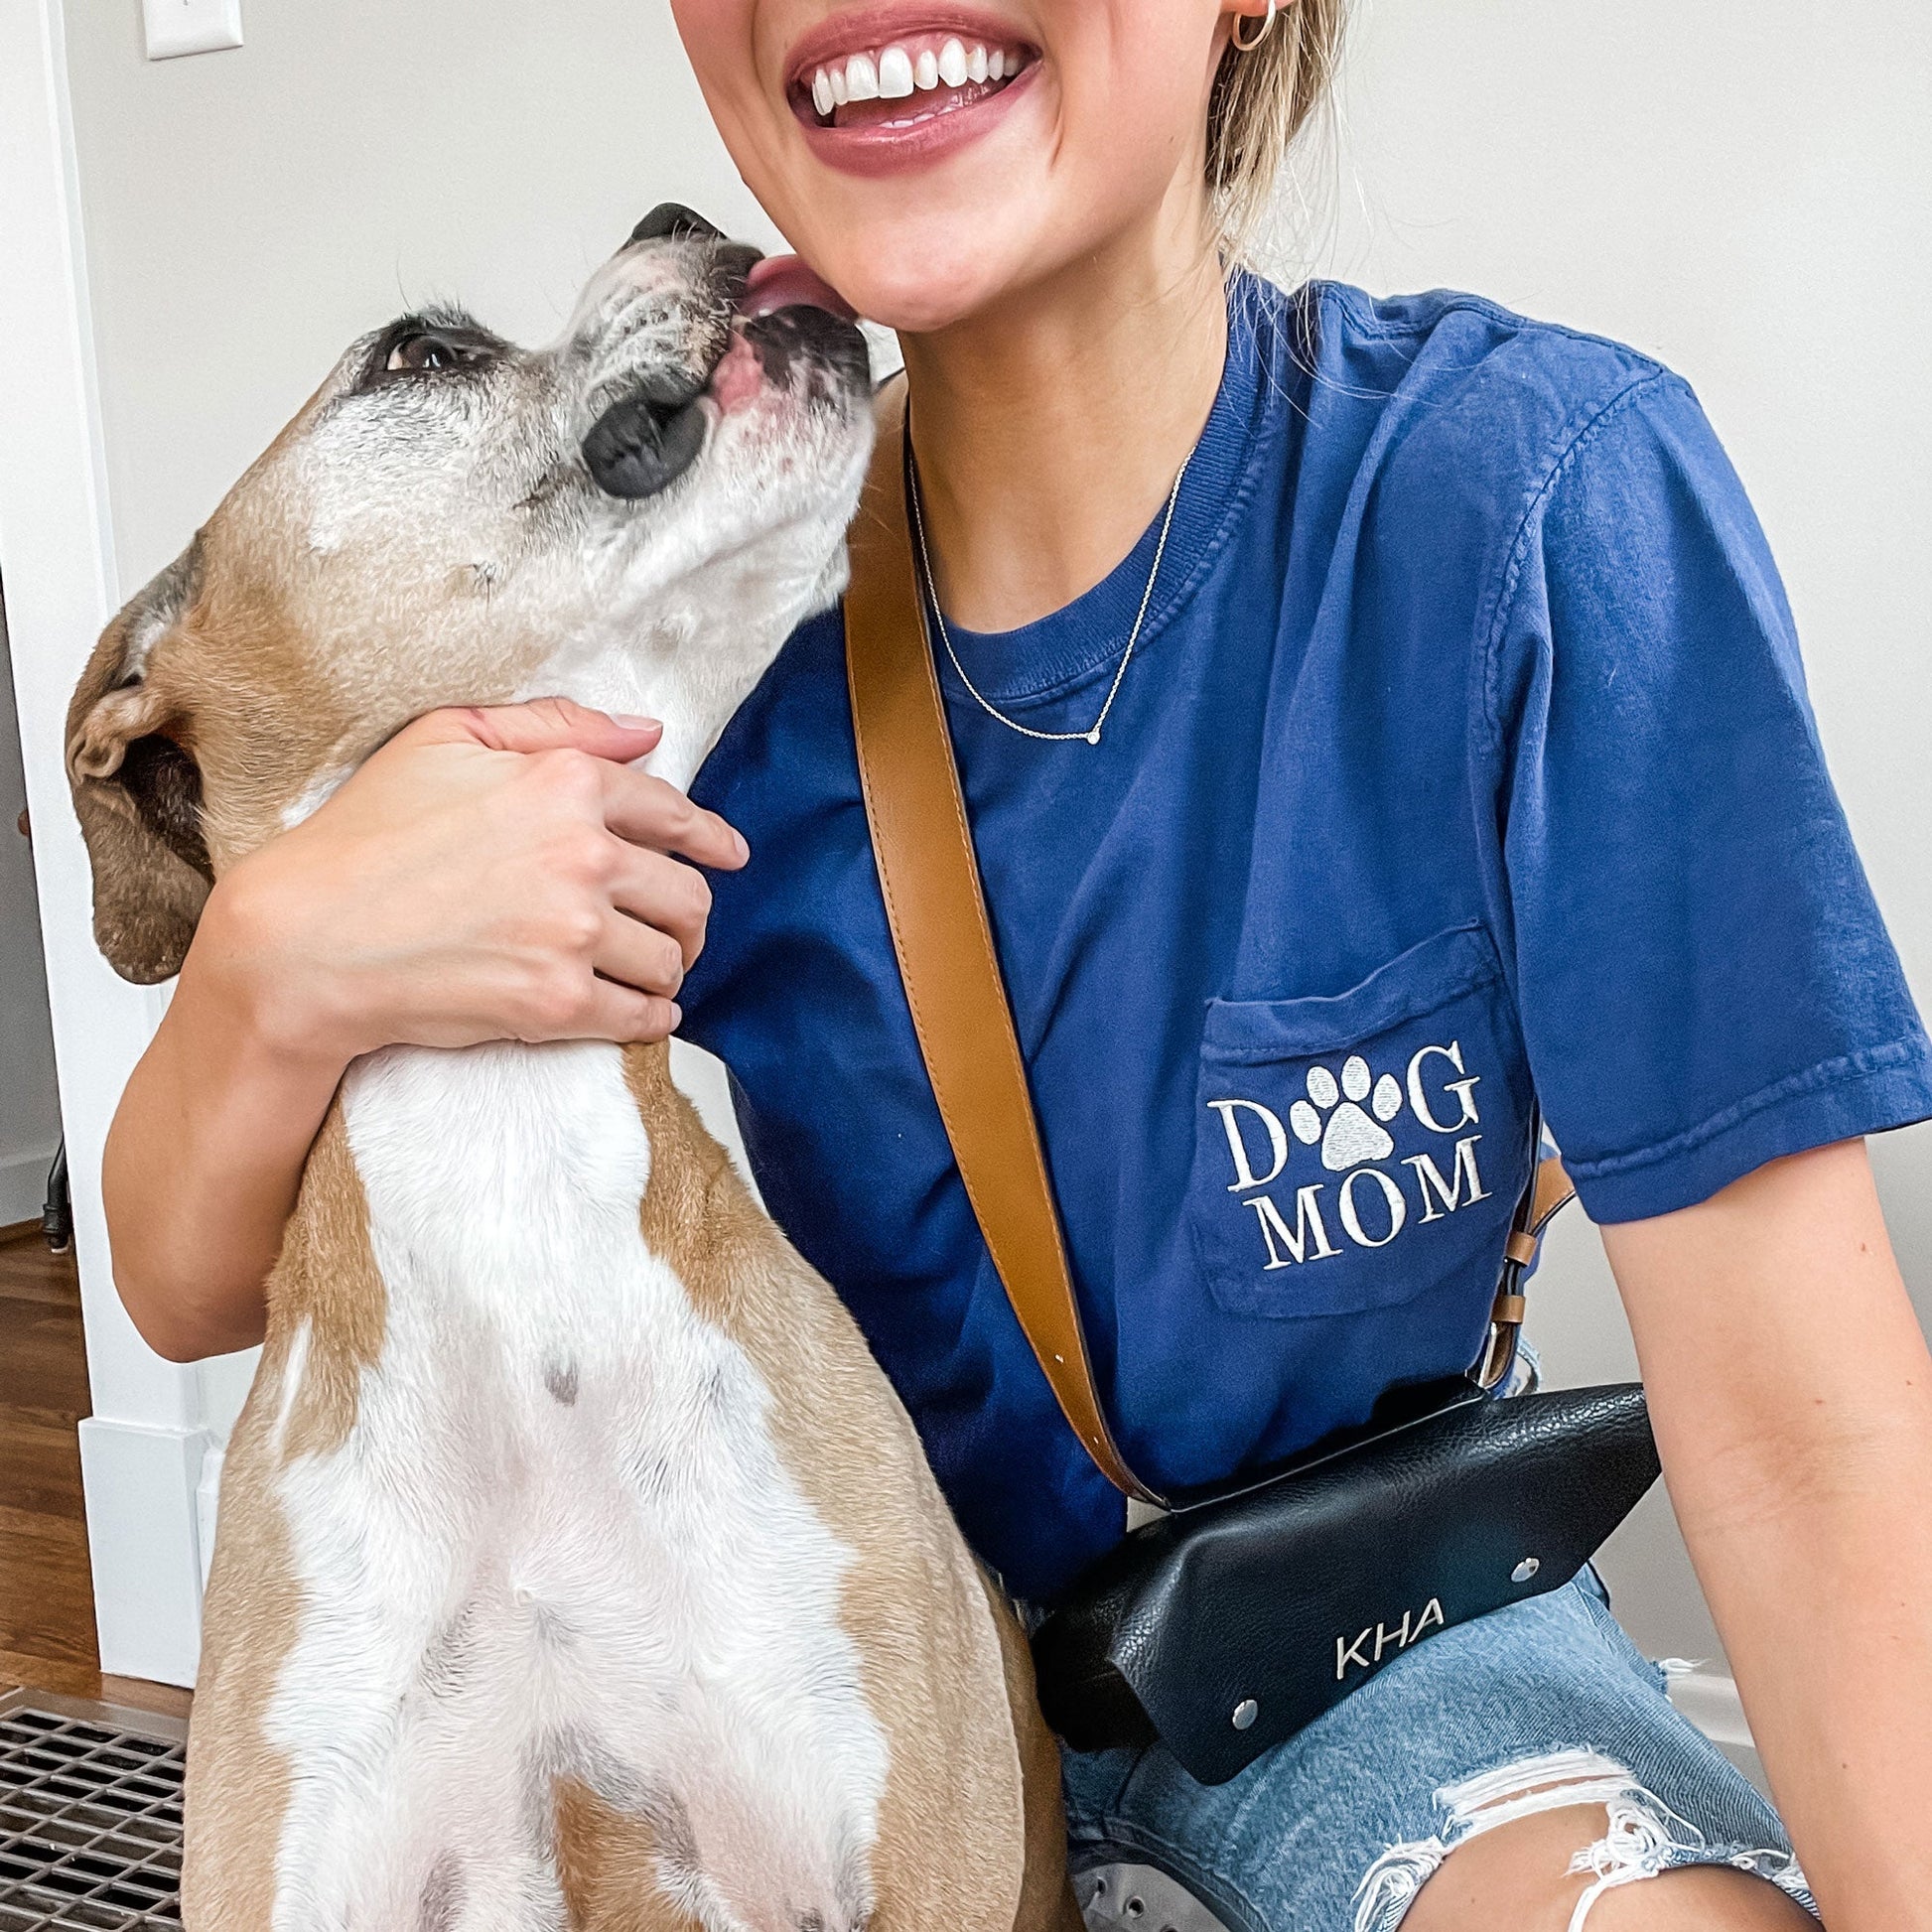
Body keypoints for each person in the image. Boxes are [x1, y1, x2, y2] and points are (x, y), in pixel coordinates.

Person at [102, 3, 1932, 1926]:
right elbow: (186, 1276)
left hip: (1369, 1643)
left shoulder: (1522, 494)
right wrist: (276, 951)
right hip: (821, 1637)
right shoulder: (686, 610)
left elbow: (1803, 1421)